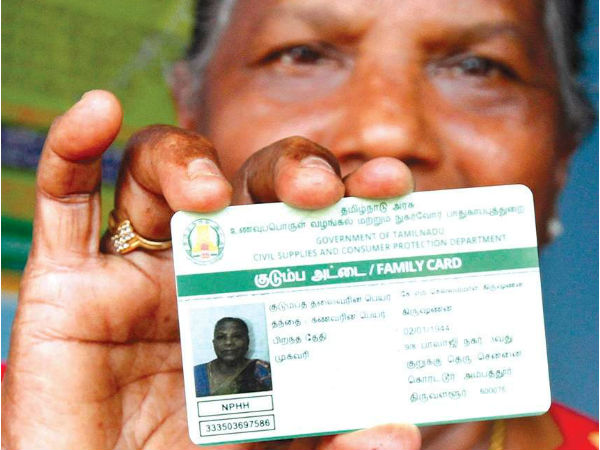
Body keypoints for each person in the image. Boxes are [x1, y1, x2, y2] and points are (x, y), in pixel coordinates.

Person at [1, 0, 597, 449]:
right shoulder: (41, 418)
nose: (387, 129)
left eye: (478, 67)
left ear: (563, 153)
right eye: (303, 55)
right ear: (191, 108)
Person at [194, 317, 271, 397]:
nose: (229, 342)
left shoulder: (263, 372)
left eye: (237, 336)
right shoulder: (196, 374)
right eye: (221, 337)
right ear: (214, 343)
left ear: (247, 342)